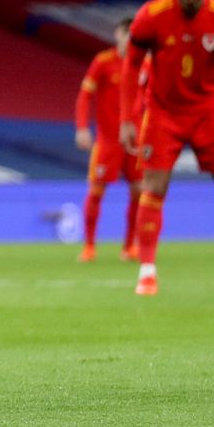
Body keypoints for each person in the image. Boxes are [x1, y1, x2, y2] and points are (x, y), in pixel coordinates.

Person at [121, 0, 214, 296]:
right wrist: (129, 117)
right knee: (153, 187)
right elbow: (131, 65)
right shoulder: (152, 14)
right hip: (163, 112)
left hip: (210, 111)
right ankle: (147, 271)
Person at [74, 18, 142, 262]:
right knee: (96, 190)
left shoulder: (145, 62)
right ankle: (90, 246)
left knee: (139, 191)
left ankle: (130, 246)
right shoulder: (104, 61)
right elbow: (85, 95)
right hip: (108, 141)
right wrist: (82, 127)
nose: (131, 39)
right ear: (118, 35)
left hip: (137, 140)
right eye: (127, 34)